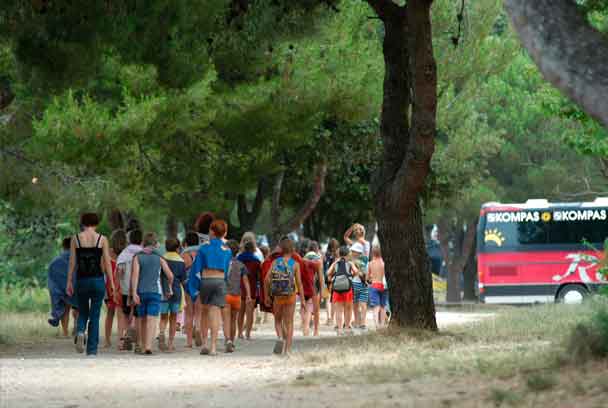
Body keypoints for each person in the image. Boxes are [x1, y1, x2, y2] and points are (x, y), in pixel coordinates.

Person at [66, 213, 118, 356]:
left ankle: (81, 331)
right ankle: (92, 350)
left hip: (82, 280)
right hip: (97, 281)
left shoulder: (75, 239)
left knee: (82, 311)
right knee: (94, 315)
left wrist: (69, 281)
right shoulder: (102, 239)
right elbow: (107, 262)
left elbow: (72, 262)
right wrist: (112, 283)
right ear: (96, 223)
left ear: (82, 223)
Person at [190, 219, 232, 356]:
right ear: (223, 233)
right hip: (219, 281)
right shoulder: (227, 250)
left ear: (212, 232)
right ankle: (214, 347)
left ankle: (204, 343)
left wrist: (194, 287)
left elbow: (196, 268)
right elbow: (227, 270)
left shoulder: (203, 248)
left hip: (206, 280)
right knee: (215, 314)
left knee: (204, 312)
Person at [131, 233, 174, 355]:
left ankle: (142, 344)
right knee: (152, 319)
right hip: (155, 292)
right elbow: (170, 275)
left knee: (142, 319)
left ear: (143, 243)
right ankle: (148, 346)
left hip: (141, 292)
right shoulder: (159, 257)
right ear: (155, 244)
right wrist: (169, 286)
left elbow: (135, 276)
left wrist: (134, 293)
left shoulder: (137, 257)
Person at [264, 236, 305, 355]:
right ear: (293, 250)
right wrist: (302, 300)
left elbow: (266, 280)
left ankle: (280, 338)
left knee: (277, 321)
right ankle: (287, 350)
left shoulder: (275, 262)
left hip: (278, 296)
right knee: (289, 322)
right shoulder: (295, 264)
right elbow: (299, 284)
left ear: (281, 249)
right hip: (290, 296)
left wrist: (267, 296)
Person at [116, 229, 143, 351]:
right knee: (138, 316)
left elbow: (119, 272)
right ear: (141, 240)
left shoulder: (123, 254)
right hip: (140, 289)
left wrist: (117, 288)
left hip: (126, 289)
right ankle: (138, 343)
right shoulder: (143, 253)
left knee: (124, 314)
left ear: (129, 240)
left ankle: (123, 340)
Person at [159, 238, 187, 352]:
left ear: (166, 247)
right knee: (173, 318)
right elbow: (183, 280)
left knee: (163, 316)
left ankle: (161, 333)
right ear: (177, 248)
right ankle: (170, 344)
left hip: (164, 291)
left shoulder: (162, 259)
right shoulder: (181, 261)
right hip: (176, 291)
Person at [224, 240, 252, 352]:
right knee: (233, 320)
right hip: (237, 296)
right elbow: (246, 281)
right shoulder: (241, 265)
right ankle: (232, 341)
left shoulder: (223, 264)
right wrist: (249, 295)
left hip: (225, 294)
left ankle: (228, 340)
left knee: (226, 320)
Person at [47, 237, 78, 336]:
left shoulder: (54, 262)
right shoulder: (79, 259)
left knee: (65, 309)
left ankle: (65, 333)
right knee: (78, 308)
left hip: (61, 290)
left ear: (63, 246)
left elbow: (51, 281)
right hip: (76, 289)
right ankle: (77, 326)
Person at [103, 229, 127, 348]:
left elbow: (102, 270)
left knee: (110, 313)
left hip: (109, 286)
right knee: (121, 313)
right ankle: (121, 340)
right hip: (122, 285)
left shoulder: (107, 253)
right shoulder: (126, 254)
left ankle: (107, 340)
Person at [344, 224, 371, 330]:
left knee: (357, 303)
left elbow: (346, 237)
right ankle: (361, 323)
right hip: (361, 277)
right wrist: (354, 228)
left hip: (358, 278)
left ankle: (358, 322)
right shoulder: (364, 244)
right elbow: (346, 237)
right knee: (360, 302)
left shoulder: (360, 245)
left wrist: (353, 229)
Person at [327, 246, 357, 336]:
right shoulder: (350, 263)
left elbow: (328, 273)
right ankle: (347, 327)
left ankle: (340, 330)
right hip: (348, 288)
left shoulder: (335, 263)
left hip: (337, 289)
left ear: (339, 255)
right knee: (348, 309)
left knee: (339, 310)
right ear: (348, 254)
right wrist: (351, 276)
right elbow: (356, 272)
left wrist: (334, 266)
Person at [237, 237, 261, 340]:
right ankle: (248, 334)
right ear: (253, 249)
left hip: (239, 287)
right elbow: (259, 276)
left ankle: (239, 333)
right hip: (252, 288)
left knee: (241, 312)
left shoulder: (238, 259)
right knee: (249, 313)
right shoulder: (256, 261)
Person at [181, 231, 202, 348]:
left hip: (188, 284)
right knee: (199, 312)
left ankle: (189, 342)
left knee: (189, 313)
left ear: (186, 242)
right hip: (200, 282)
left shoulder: (184, 254)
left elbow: (182, 269)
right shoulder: (202, 252)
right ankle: (198, 328)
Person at [304, 241, 324, 337]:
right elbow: (320, 276)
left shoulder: (304, 258)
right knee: (316, 310)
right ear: (317, 249)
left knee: (307, 309)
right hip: (315, 286)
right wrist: (322, 290)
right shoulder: (318, 259)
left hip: (305, 286)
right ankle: (316, 331)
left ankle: (306, 329)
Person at [368, 245, 388, 329]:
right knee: (383, 306)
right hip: (383, 286)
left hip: (374, 285)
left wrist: (370, 279)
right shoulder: (384, 263)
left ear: (373, 253)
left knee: (376, 307)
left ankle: (376, 324)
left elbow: (367, 277)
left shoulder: (370, 263)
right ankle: (382, 325)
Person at [323, 238, 339, 326]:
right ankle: (332, 319)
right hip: (336, 280)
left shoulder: (326, 255)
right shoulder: (338, 256)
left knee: (327, 299)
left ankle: (329, 318)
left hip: (327, 280)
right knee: (333, 300)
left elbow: (324, 268)